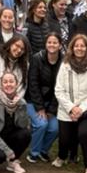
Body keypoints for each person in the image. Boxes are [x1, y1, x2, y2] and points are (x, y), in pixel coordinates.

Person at [54, 34, 87, 173]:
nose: (79, 48)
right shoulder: (65, 66)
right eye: (77, 46)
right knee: (64, 139)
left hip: (85, 110)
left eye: (82, 46)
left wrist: (80, 109)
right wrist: (71, 108)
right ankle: (62, 157)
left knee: (83, 134)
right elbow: (59, 89)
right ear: (72, 48)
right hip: (66, 109)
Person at [25, 32, 63, 163]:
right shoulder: (37, 58)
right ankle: (33, 152)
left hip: (53, 102)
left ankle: (43, 150)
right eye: (49, 42)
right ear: (46, 44)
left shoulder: (64, 62)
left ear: (60, 45)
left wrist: (52, 110)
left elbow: (60, 88)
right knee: (41, 124)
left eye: (55, 42)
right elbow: (33, 84)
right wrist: (40, 107)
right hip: (33, 100)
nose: (52, 45)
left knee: (55, 128)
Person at [0, 35, 29, 103]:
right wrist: (0, 102)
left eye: (22, 49)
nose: (19, 50)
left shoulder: (25, 65)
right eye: (17, 45)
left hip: (13, 104)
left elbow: (22, 87)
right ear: (10, 44)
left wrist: (14, 102)